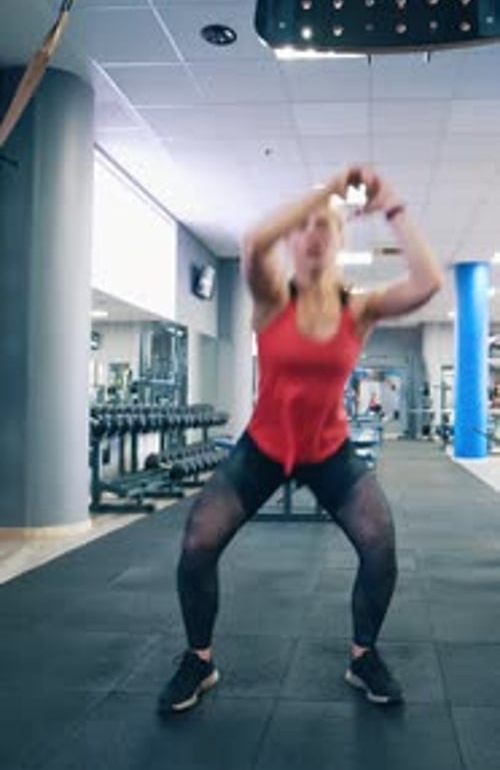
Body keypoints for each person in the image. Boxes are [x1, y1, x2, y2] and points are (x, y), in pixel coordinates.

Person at [157, 165, 443, 714]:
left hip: (329, 450)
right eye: (303, 227)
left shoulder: (356, 310)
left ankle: (363, 658)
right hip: (263, 448)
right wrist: (328, 192)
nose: (313, 234)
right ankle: (199, 660)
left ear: (338, 240)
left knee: (380, 544)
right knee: (197, 544)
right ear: (293, 238)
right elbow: (252, 240)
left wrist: (393, 206)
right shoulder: (270, 297)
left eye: (325, 228)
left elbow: (428, 283)